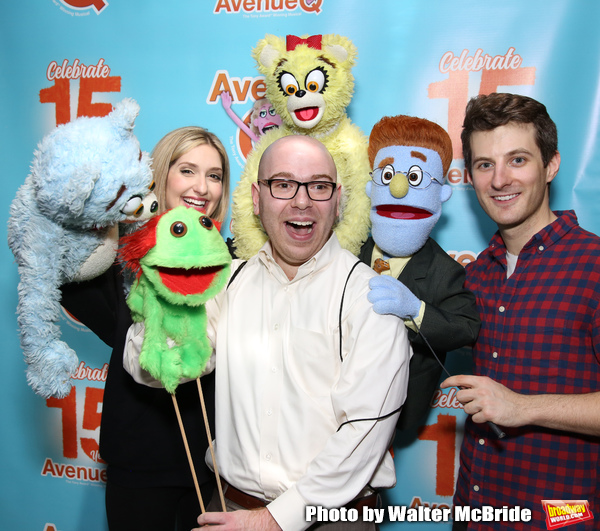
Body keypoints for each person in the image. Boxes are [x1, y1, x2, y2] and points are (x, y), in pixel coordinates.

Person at [125, 135, 411, 531]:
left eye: (319, 186)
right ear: (257, 200)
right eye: (283, 184)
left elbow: (363, 433)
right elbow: (150, 371)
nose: (302, 201)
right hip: (227, 508)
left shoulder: (371, 297)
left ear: (338, 199)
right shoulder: (226, 282)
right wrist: (167, 276)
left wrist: (273, 520)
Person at [441, 93, 600, 530]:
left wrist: (523, 408)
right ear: (470, 176)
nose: (499, 179)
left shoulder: (593, 266)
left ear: (550, 166)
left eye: (517, 160)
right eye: (484, 164)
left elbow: (512, 407)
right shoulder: (474, 278)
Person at [60, 126, 231, 531]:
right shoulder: (119, 257)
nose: (202, 187)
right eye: (187, 170)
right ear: (160, 175)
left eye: (214, 175)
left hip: (212, 463)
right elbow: (69, 280)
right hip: (138, 459)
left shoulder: (229, 263)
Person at [359, 115, 480, 431]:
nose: (398, 188)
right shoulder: (347, 249)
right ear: (372, 186)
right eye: (387, 176)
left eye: (414, 177)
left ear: (441, 193)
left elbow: (466, 327)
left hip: (394, 412)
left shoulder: (444, 271)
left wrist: (416, 310)